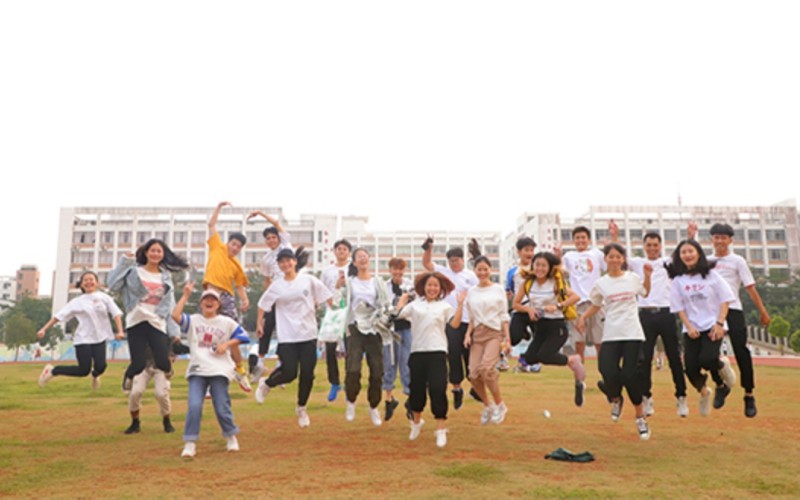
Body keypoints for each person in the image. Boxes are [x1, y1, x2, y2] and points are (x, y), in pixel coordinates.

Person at [690, 222, 770, 418]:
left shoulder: (737, 261)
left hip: (733, 309)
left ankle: (749, 395)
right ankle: (721, 384)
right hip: (712, 313)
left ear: (730, 240)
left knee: (741, 351)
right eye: (716, 237)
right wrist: (692, 238)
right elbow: (690, 270)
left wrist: (762, 310)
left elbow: (750, 287)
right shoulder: (706, 261)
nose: (719, 241)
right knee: (708, 356)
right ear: (712, 239)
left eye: (723, 237)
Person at [611, 224, 689, 417]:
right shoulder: (638, 263)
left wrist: (690, 235)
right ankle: (646, 397)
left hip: (666, 313)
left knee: (674, 357)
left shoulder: (668, 262)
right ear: (644, 246)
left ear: (660, 246)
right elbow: (618, 257)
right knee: (643, 360)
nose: (652, 248)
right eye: (649, 245)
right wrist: (615, 235)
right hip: (644, 314)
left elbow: (687, 253)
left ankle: (681, 397)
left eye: (656, 245)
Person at [577, 243, 653, 440]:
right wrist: (583, 317)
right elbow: (595, 304)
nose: (614, 259)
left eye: (618, 256)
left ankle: (640, 417)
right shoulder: (601, 283)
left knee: (629, 376)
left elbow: (645, 292)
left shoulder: (632, 278)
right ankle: (616, 398)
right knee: (606, 369)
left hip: (632, 333)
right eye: (611, 256)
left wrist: (648, 276)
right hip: (611, 333)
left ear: (623, 259)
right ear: (605, 259)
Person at [255, 248, 333, 428]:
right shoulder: (277, 285)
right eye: (281, 262)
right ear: (279, 265)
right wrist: (260, 324)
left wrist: (336, 315)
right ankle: (266, 383)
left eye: (288, 260)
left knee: (308, 374)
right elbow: (263, 305)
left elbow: (327, 297)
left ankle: (301, 407)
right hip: (287, 336)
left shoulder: (308, 280)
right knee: (290, 372)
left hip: (308, 334)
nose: (286, 264)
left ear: (294, 262)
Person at [174, 284, 250, 458]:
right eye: (206, 299)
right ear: (201, 303)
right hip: (197, 369)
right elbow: (175, 316)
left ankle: (231, 436)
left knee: (222, 405)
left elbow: (243, 336)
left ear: (219, 304)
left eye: (213, 300)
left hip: (219, 370)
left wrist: (226, 344)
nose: (209, 302)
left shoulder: (226, 322)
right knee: (194, 405)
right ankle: (190, 442)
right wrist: (185, 296)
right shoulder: (194, 320)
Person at [667, 239, 737, 418]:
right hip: (692, 329)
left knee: (707, 359)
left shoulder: (712, 275)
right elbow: (679, 308)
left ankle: (722, 367)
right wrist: (688, 326)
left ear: (698, 253)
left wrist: (720, 323)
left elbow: (726, 298)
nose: (687, 255)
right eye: (683, 252)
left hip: (713, 325)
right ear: (679, 257)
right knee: (690, 368)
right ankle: (706, 392)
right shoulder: (678, 281)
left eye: (691, 251)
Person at [106, 239, 189, 392]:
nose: (155, 254)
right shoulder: (133, 270)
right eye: (152, 250)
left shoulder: (165, 277)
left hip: (156, 321)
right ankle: (128, 376)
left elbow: (169, 305)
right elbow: (112, 285)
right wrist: (124, 261)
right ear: (145, 252)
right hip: (136, 320)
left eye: (159, 251)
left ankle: (166, 370)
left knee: (163, 363)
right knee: (138, 364)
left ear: (163, 255)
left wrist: (175, 333)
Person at [395, 272, 465, 448]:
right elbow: (397, 315)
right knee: (416, 390)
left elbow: (455, 324)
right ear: (423, 288)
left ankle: (440, 429)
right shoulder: (415, 306)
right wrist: (403, 300)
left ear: (440, 289)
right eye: (429, 285)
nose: (432, 288)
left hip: (438, 352)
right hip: (417, 352)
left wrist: (461, 304)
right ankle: (416, 423)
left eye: (435, 286)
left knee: (438, 388)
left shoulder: (444, 306)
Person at [512, 252, 585, 406]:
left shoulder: (556, 282)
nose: (540, 268)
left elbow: (575, 297)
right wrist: (529, 310)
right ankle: (572, 364)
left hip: (556, 327)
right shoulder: (528, 283)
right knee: (529, 358)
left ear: (550, 267)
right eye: (537, 265)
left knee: (545, 355)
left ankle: (573, 359)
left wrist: (558, 305)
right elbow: (515, 304)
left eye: (543, 265)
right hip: (540, 327)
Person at [37, 272, 124, 389]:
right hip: (83, 339)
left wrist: (120, 331)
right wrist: (44, 329)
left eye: (91, 279)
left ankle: (95, 375)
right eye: (85, 280)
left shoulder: (105, 297)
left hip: (100, 337)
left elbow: (116, 313)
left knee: (101, 366)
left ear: (97, 282)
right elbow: (59, 316)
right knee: (83, 370)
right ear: (82, 284)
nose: (89, 282)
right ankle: (53, 371)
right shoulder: (77, 301)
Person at [422, 235, 479, 409]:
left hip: (469, 321)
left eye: (457, 260)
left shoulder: (471, 276)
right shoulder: (443, 273)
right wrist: (428, 248)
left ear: (463, 260)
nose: (454, 264)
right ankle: (457, 389)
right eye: (451, 261)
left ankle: (476, 387)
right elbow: (427, 263)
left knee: (471, 356)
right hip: (450, 321)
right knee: (453, 355)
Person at [340, 248, 391, 426]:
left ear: (369, 259)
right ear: (353, 262)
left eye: (365, 256)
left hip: (374, 329)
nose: (362, 259)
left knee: (377, 371)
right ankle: (351, 401)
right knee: (353, 369)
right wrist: (339, 287)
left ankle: (374, 406)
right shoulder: (349, 282)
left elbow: (385, 304)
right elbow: (339, 302)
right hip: (355, 329)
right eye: (358, 257)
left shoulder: (377, 282)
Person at [204, 201, 251, 392]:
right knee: (209, 337)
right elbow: (211, 225)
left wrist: (245, 299)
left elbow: (239, 285)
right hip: (210, 294)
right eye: (233, 244)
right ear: (228, 242)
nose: (235, 248)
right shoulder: (217, 247)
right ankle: (209, 378)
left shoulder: (236, 265)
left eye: (238, 247)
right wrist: (219, 208)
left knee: (233, 336)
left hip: (226, 297)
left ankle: (240, 371)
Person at [464, 255, 511, 425]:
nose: (482, 272)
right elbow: (471, 317)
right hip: (478, 334)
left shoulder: (498, 289)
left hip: (494, 332)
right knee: (473, 374)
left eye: (485, 269)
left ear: (490, 270)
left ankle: (500, 405)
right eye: (479, 269)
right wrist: (467, 334)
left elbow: (503, 315)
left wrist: (507, 338)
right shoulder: (471, 291)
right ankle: (488, 406)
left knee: (486, 369)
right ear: (475, 271)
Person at [249, 210, 292, 373]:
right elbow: (267, 280)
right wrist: (267, 299)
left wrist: (261, 213)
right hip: (275, 294)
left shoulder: (285, 246)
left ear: (279, 238)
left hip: (291, 292)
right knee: (267, 327)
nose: (271, 240)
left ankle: (281, 363)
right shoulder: (267, 259)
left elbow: (276, 223)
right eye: (268, 238)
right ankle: (260, 361)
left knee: (284, 329)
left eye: (274, 237)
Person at [561, 226, 607, 364]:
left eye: (583, 238)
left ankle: (606, 376)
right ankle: (580, 380)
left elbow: (610, 266)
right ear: (573, 240)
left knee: (600, 343)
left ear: (588, 240)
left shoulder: (596, 254)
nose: (580, 240)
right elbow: (561, 273)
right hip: (578, 303)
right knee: (579, 343)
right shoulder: (568, 256)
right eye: (577, 238)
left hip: (597, 303)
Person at [320, 239, 353, 402]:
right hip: (333, 313)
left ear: (349, 252)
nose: (341, 251)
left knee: (350, 349)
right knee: (330, 349)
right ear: (334, 251)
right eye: (339, 248)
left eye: (344, 249)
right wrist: (330, 303)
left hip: (349, 313)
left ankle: (349, 383)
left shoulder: (352, 269)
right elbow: (322, 290)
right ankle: (334, 382)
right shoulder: (327, 271)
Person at [383, 258, 414, 422]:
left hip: (406, 328)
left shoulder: (409, 286)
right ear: (390, 270)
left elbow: (411, 306)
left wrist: (399, 307)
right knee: (389, 363)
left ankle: (410, 399)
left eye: (400, 270)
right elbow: (383, 308)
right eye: (395, 269)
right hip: (389, 330)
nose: (397, 273)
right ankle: (389, 399)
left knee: (407, 363)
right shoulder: (384, 287)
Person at [504, 237, 541, 373]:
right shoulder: (512, 272)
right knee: (513, 338)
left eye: (532, 250)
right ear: (519, 252)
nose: (529, 253)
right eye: (526, 250)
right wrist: (507, 294)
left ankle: (530, 361)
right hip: (520, 309)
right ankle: (523, 332)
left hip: (536, 309)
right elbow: (508, 289)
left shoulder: (539, 269)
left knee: (540, 337)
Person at [124, 342, 175, 434]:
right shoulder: (138, 333)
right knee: (135, 392)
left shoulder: (161, 332)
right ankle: (135, 422)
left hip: (160, 367)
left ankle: (167, 421)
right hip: (143, 366)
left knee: (161, 394)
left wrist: (169, 370)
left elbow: (170, 355)